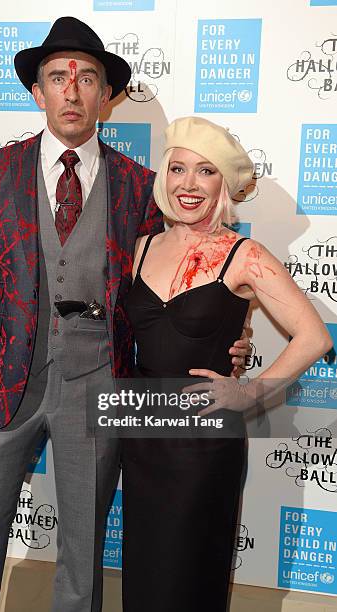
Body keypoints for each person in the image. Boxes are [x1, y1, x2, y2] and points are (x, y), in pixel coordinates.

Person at [0, 19, 249, 612]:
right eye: (58, 78)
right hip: (2, 382)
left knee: (82, 553)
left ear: (106, 96)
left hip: (101, 386)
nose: (73, 91)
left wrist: (224, 339)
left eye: (87, 78)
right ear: (39, 92)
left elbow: (174, 278)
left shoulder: (141, 184)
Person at [121, 116, 332, 612]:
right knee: (145, 577)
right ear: (163, 178)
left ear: (224, 185)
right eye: (178, 170)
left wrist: (251, 390)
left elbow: (314, 337)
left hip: (203, 441)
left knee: (189, 578)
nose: (188, 185)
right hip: (142, 433)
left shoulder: (244, 255)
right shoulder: (141, 247)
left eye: (205, 172)